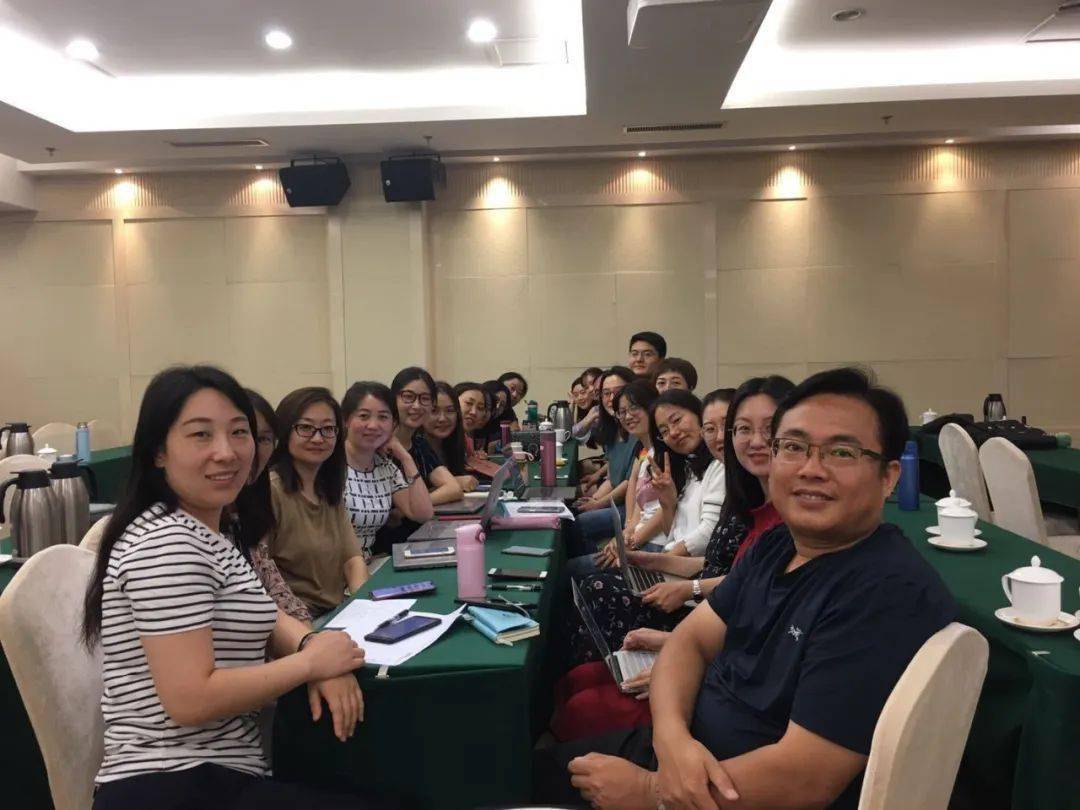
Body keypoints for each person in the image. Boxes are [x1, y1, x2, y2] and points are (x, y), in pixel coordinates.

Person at [535, 367, 958, 810]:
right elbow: (690, 641)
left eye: (841, 452)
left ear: (889, 477)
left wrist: (651, 792)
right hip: (686, 763)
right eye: (793, 446)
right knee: (526, 773)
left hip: (733, 795)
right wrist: (672, 741)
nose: (811, 469)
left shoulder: (884, 592)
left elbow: (807, 776)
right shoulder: (778, 544)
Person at [82, 365, 381, 810]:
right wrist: (309, 664)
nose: (227, 452)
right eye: (201, 435)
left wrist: (313, 645)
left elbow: (269, 615)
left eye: (240, 432)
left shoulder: (210, 532)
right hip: (170, 783)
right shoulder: (167, 545)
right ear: (158, 452)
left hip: (220, 770)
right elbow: (190, 698)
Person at [563, 378, 793, 686]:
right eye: (741, 429)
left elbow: (745, 592)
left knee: (595, 589)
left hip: (709, 619)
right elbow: (722, 566)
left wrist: (686, 593)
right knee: (577, 675)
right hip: (704, 605)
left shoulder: (785, 515)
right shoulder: (733, 489)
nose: (721, 437)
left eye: (726, 427)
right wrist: (650, 557)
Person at [267, 387, 369, 618]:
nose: (318, 438)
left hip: (336, 611)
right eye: (305, 428)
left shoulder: (328, 489)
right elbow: (263, 579)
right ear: (285, 431)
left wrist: (363, 606)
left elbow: (352, 559)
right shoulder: (271, 491)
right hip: (295, 621)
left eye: (328, 429)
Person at [341, 381, 434, 558]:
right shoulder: (331, 464)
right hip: (335, 568)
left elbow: (422, 513)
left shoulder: (385, 467)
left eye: (383, 417)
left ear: (393, 424)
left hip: (368, 564)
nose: (373, 425)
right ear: (346, 420)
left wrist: (405, 458)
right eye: (364, 416)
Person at [243, 388, 312, 624]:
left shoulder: (244, 512)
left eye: (263, 439)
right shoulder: (169, 540)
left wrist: (308, 637)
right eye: (240, 434)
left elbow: (277, 594)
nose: (251, 449)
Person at [389, 367, 463, 506]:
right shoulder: (379, 444)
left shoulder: (419, 444)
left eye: (425, 398)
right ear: (393, 399)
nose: (417, 406)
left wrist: (412, 507)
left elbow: (454, 488)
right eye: (408, 397)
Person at [424, 381, 478, 494]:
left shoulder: (453, 445)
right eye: (434, 411)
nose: (442, 418)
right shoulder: (414, 449)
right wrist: (453, 482)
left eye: (450, 411)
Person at [480, 378, 514, 452]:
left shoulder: (501, 424)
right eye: (495, 401)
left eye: (502, 404)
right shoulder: (472, 422)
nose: (497, 407)